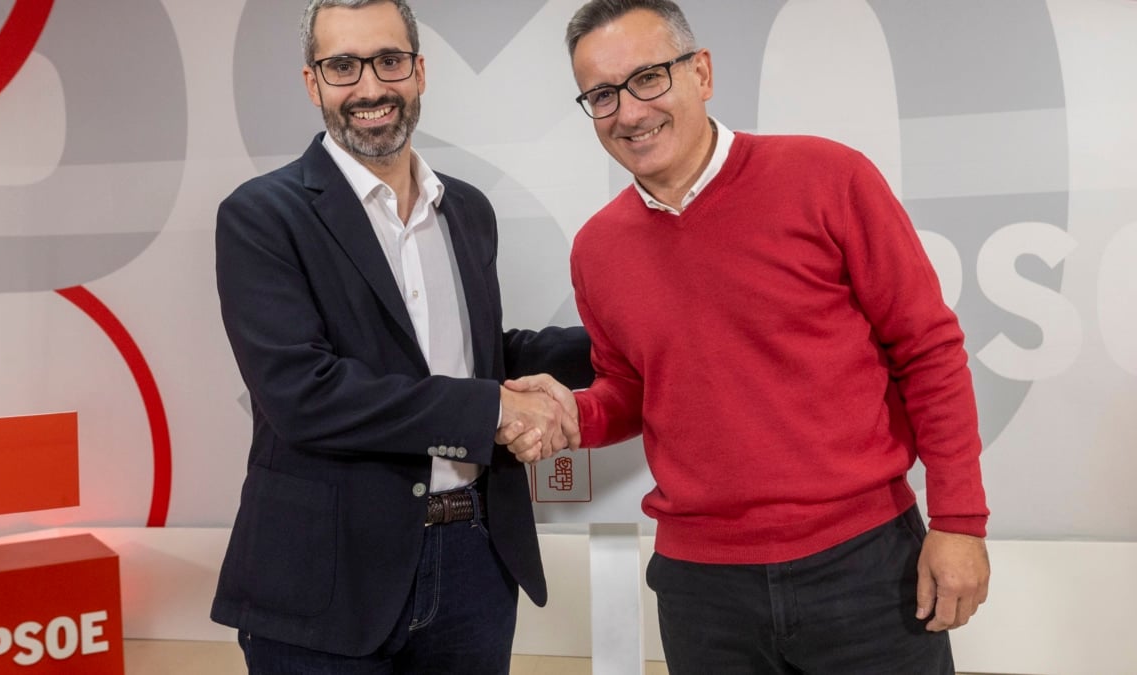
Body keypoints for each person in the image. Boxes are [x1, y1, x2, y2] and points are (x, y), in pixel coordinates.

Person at [507, 0, 991, 672]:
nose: (629, 110)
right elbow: (632, 391)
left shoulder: (828, 178)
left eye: (648, 77)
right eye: (602, 94)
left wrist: (960, 522)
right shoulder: (597, 249)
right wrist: (572, 415)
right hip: (702, 592)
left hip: (865, 568)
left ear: (700, 72)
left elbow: (928, 351)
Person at [209, 1, 592, 672]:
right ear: (312, 82)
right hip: (325, 581)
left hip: (475, 560)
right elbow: (305, 394)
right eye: (342, 66)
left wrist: (628, 341)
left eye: (389, 61)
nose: (370, 87)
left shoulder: (466, 208)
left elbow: (475, 358)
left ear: (419, 72)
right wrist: (498, 409)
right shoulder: (261, 216)